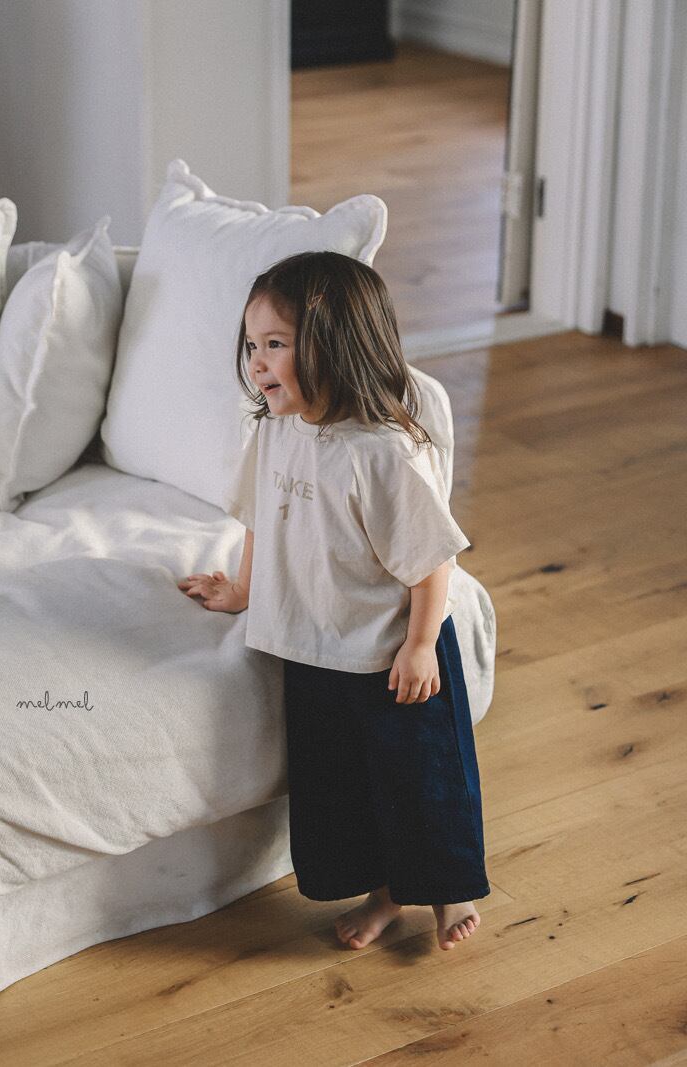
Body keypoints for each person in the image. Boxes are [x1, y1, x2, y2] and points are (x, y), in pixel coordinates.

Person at [177, 250, 491, 953]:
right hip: (314, 645)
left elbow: (431, 560)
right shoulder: (275, 430)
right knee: (346, 785)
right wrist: (243, 590)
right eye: (252, 346)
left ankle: (449, 887)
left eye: (276, 344)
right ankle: (385, 895)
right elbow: (259, 518)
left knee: (420, 780)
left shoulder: (383, 453)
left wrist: (420, 645)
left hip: (389, 650)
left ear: (336, 345)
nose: (258, 363)